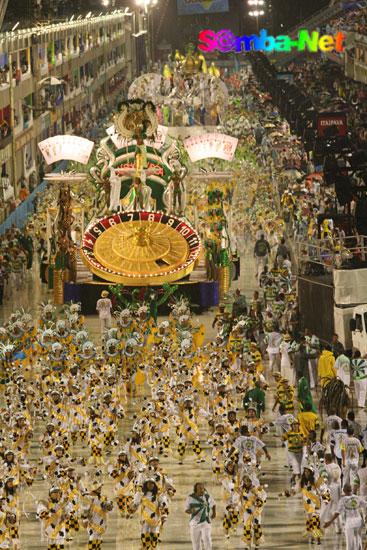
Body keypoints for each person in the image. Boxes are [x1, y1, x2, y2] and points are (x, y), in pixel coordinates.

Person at [324, 483, 367, 550]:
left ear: (343, 490)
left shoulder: (343, 500)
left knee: (350, 544)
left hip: (350, 523)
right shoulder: (357, 498)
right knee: (358, 541)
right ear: (351, 490)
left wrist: (330, 522)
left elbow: (337, 513)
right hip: (359, 522)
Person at [185, 483, 216, 550]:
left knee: (207, 539)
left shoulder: (207, 496)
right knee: (196, 544)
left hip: (205, 522)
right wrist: (191, 511)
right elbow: (186, 509)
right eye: (200, 489)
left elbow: (213, 504)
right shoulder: (190, 498)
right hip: (194, 524)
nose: (202, 490)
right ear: (195, 490)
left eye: (203, 489)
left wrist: (214, 514)